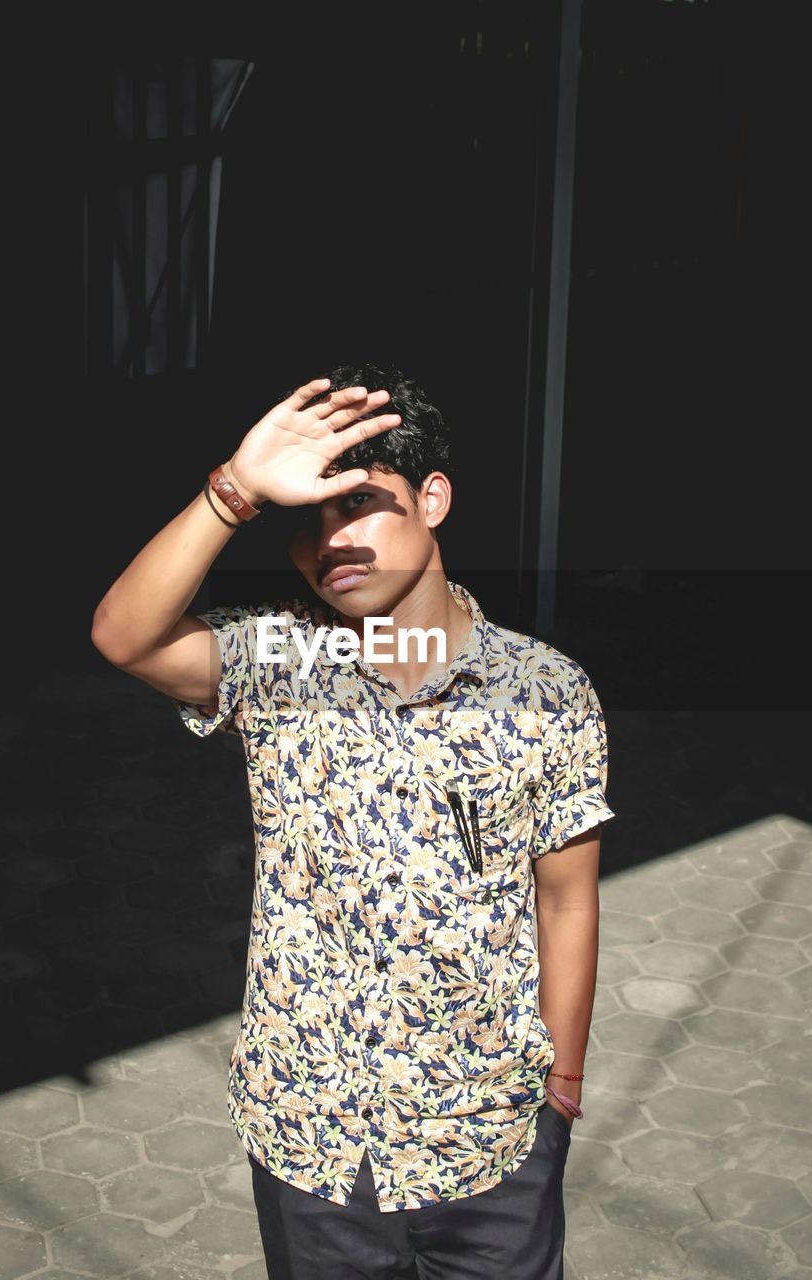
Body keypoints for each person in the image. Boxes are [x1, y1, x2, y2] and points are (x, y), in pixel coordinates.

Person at [91, 364, 616, 1279]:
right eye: (309, 517)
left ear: (433, 499)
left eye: (361, 504)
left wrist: (558, 1094)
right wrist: (234, 492)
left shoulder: (547, 691)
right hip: (312, 1144)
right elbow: (123, 635)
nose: (332, 538)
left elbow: (566, 902)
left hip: (489, 1139)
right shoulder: (279, 658)